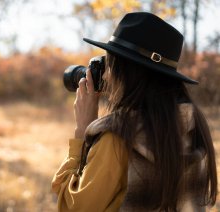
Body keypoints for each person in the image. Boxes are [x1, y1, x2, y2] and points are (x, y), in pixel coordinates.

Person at [51, 12, 217, 211]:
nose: (105, 77)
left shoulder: (117, 136)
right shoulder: (193, 127)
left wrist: (82, 133)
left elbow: (73, 208)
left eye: (110, 66)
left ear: (127, 74)